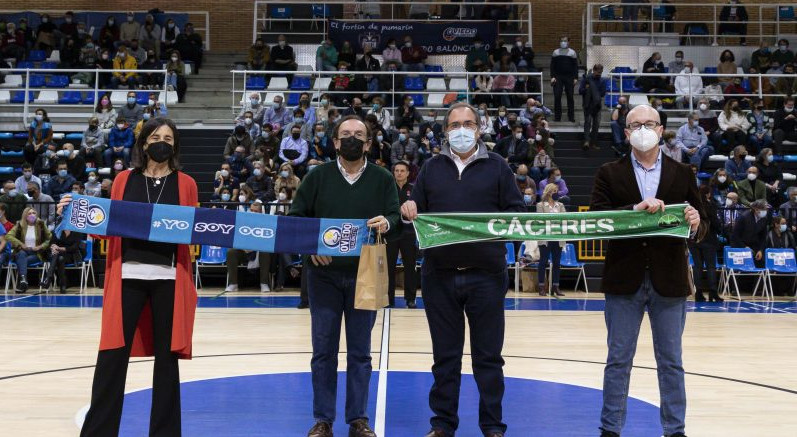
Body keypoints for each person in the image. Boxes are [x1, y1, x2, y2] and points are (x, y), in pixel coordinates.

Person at [57, 117, 198, 436]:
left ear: (174, 145)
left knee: (167, 361)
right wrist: (75, 211)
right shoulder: (123, 180)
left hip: (169, 280)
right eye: (156, 136)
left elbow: (192, 232)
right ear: (144, 142)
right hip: (126, 278)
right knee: (111, 357)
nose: (163, 141)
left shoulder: (186, 183)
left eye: (169, 137)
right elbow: (109, 226)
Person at [400, 102, 524, 437]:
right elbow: (417, 210)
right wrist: (409, 207)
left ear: (479, 128)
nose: (462, 130)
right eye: (455, 125)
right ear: (445, 131)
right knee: (445, 357)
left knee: (488, 358)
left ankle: (493, 427)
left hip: (486, 275)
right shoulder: (430, 168)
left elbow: (516, 212)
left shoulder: (498, 166)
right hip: (439, 275)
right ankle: (442, 425)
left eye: (468, 123)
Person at [589, 104, 704, 437]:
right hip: (623, 279)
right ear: (626, 133)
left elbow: (705, 223)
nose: (642, 129)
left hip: (669, 279)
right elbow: (597, 221)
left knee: (671, 362)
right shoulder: (608, 173)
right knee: (618, 361)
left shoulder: (683, 173)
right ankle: (610, 429)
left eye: (649, 123)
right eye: (635, 124)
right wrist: (633, 212)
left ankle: (675, 430)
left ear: (660, 129)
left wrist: (695, 224)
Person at [289, 115, 400, 437]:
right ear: (335, 141)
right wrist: (311, 245)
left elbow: (394, 215)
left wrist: (387, 223)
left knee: (360, 352)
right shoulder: (316, 176)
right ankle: (323, 419)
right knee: (323, 350)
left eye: (358, 135)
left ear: (368, 143)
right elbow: (297, 217)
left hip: (366, 274)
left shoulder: (381, 178)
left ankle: (358, 419)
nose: (351, 139)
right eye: (345, 134)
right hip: (323, 275)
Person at [385, 161, 418, 308]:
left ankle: (410, 299)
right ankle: (388, 298)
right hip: (391, 233)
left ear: (408, 173)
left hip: (409, 233)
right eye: (396, 170)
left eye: (402, 170)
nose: (399, 173)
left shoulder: (414, 190)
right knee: (389, 266)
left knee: (410, 266)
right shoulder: (388, 189)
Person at [225, 201, 272, 293]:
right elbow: (237, 237)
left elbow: (267, 241)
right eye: (251, 210)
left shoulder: (266, 223)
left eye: (256, 211)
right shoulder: (243, 221)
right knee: (231, 252)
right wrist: (243, 247)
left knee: (265, 252)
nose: (253, 212)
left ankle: (264, 283)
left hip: (259, 250)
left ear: (261, 212)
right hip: (244, 250)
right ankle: (233, 284)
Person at [689, 185, 723, 302]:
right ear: (708, 194)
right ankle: (713, 292)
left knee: (697, 267)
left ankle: (698, 293)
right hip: (709, 240)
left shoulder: (692, 206)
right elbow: (716, 223)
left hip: (694, 240)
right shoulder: (710, 206)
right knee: (710, 267)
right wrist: (719, 229)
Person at [5, 207, 51, 292]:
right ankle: (23, 281)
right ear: (25, 216)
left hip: (36, 253)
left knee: (21, 259)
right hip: (23, 251)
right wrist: (21, 244)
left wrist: (40, 246)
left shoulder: (41, 224)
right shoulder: (19, 224)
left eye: (34, 213)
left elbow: (50, 239)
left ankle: (23, 281)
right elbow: (8, 236)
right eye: (29, 213)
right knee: (21, 254)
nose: (32, 215)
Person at [536, 183, 566, 297]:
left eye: (557, 191)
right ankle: (541, 287)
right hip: (545, 237)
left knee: (557, 263)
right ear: (548, 192)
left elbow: (564, 219)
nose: (556, 193)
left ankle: (556, 287)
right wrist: (554, 220)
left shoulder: (561, 205)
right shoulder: (540, 205)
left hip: (558, 237)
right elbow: (541, 220)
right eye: (554, 191)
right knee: (543, 262)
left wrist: (554, 221)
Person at [41, 227, 84, 294]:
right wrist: (53, 247)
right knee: (60, 258)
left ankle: (48, 279)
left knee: (58, 257)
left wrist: (60, 248)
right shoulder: (57, 231)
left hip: (70, 255)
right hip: (58, 255)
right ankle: (62, 285)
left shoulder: (77, 232)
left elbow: (74, 248)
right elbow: (51, 243)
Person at [730, 200, 769, 267]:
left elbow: (763, 236)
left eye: (766, 209)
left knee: (761, 263)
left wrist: (760, 250)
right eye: (763, 209)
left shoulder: (764, 219)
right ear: (756, 209)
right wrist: (744, 247)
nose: (765, 211)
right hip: (741, 246)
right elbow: (735, 235)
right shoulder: (743, 217)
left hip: (755, 247)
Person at [579, 64, 607, 150]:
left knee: (596, 124)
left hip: (597, 105)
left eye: (600, 73)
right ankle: (586, 141)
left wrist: (594, 92)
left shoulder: (602, 81)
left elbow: (603, 93)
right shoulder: (586, 79)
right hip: (587, 104)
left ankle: (593, 143)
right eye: (598, 72)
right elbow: (580, 91)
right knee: (587, 122)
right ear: (594, 70)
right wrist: (587, 89)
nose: (599, 74)